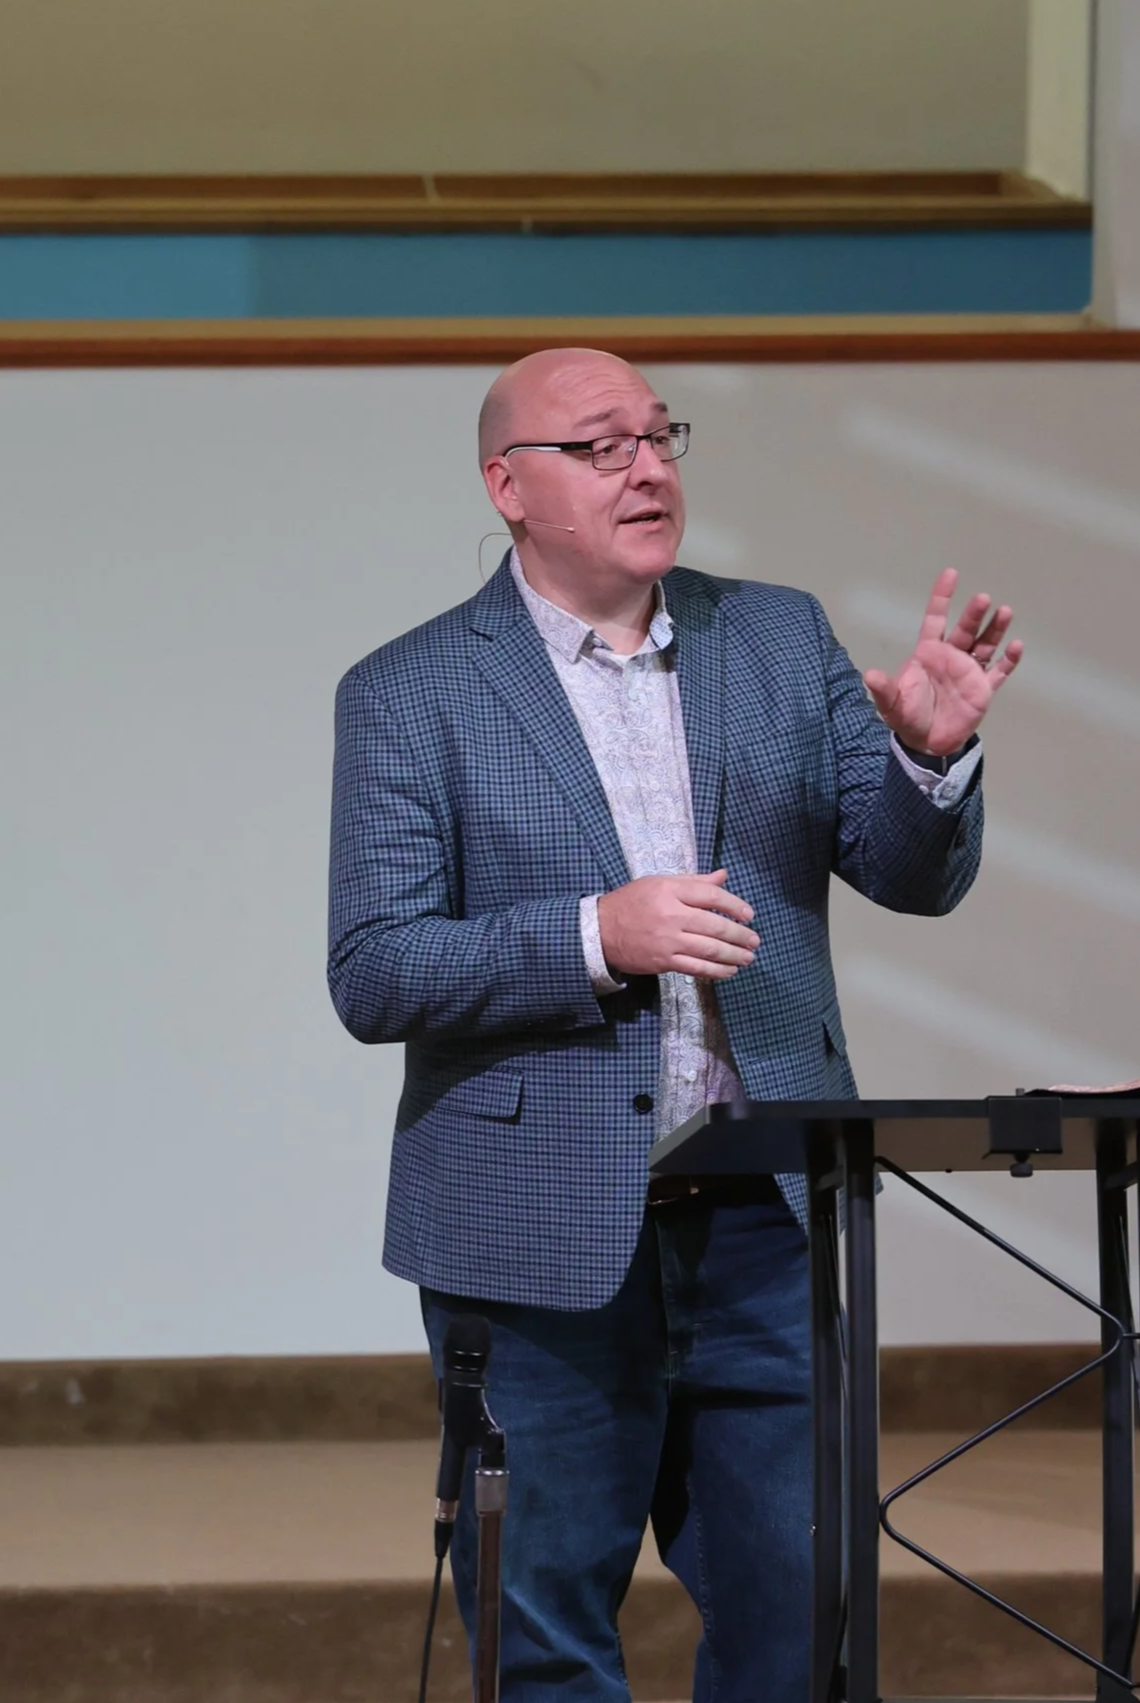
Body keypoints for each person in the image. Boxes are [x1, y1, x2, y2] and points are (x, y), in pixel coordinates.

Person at [327, 347, 1021, 1702]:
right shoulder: (412, 691)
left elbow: (909, 876)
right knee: (545, 1642)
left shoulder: (777, 638)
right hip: (533, 1233)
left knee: (800, 1631)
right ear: (508, 486)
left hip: (765, 1216)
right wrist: (600, 936)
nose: (647, 468)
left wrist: (928, 757)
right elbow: (377, 968)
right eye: (602, 446)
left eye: (660, 436)